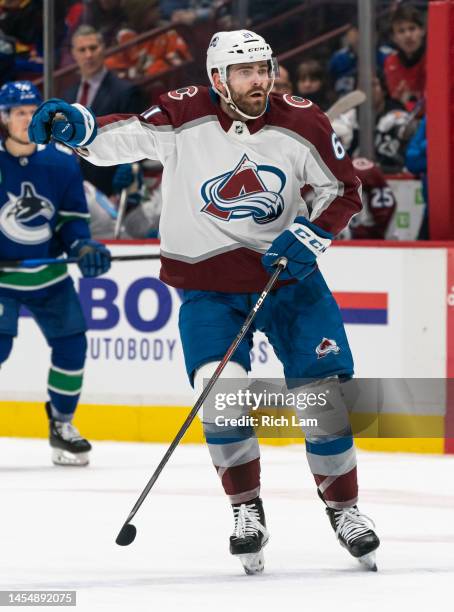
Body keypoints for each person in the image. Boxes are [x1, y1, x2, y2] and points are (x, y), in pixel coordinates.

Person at [29, 30, 380, 573]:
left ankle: (345, 509)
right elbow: (121, 138)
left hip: (285, 279)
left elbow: (343, 189)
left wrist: (309, 235)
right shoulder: (181, 113)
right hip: (210, 286)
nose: (260, 80)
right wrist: (80, 126)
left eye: (264, 69)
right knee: (222, 392)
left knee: (322, 398)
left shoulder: (304, 119)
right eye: (246, 72)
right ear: (218, 79)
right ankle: (247, 509)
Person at [0, 81, 111, 466]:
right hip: (1, 282)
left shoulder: (62, 163)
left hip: (47, 275)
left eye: (33, 111)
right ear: (4, 117)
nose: (28, 119)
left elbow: (70, 223)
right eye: (19, 112)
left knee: (72, 344)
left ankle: (62, 425)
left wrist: (82, 247)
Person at [62, 25, 146, 195]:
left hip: (108, 189)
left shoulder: (125, 92)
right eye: (82, 50)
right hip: (70, 187)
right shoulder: (68, 95)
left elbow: (136, 143)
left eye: (93, 48)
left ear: (104, 49)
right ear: (74, 54)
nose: (88, 55)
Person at [384, 5, 426, 110]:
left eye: (412, 28)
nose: (407, 35)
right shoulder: (391, 62)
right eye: (401, 31)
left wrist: (408, 99)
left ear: (422, 31)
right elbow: (397, 101)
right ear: (394, 38)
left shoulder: (435, 59)